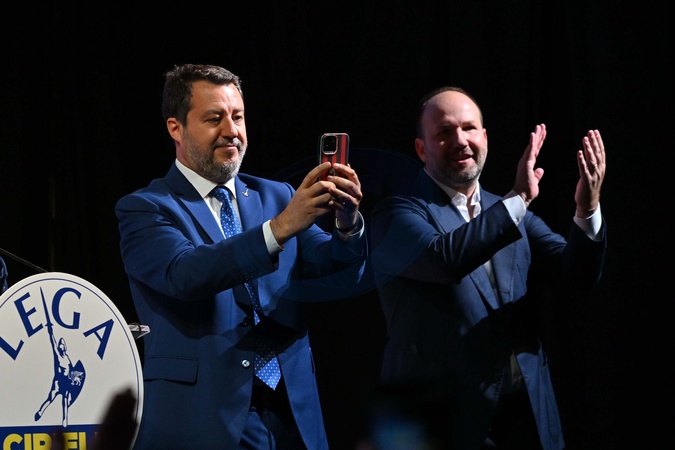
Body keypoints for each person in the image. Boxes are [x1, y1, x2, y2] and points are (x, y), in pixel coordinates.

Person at [115, 63, 367, 450]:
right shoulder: (146, 208)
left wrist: (347, 224)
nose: (231, 131)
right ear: (176, 128)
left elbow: (337, 273)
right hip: (205, 419)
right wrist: (279, 228)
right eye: (214, 118)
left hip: (293, 414)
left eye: (238, 116)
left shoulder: (277, 196)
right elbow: (186, 274)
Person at [369, 86, 607, 450]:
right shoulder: (395, 213)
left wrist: (587, 209)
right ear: (422, 149)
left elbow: (578, 273)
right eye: (444, 132)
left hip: (525, 415)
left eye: (469, 128)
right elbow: (444, 259)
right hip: (440, 420)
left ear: (485, 137)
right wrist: (519, 198)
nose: (460, 140)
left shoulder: (511, 212)